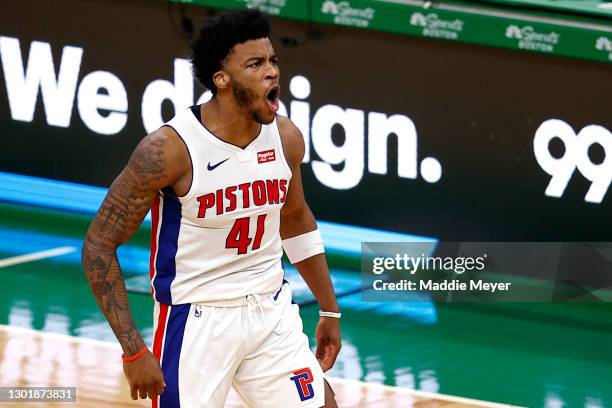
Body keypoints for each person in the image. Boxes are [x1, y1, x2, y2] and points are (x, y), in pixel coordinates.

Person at [82, 8, 341, 408]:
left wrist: (330, 308)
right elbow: (99, 245)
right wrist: (133, 350)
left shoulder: (285, 138)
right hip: (196, 321)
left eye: (273, 60)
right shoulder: (168, 150)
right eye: (255, 64)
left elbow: (294, 218)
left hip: (270, 308)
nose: (271, 71)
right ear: (222, 79)